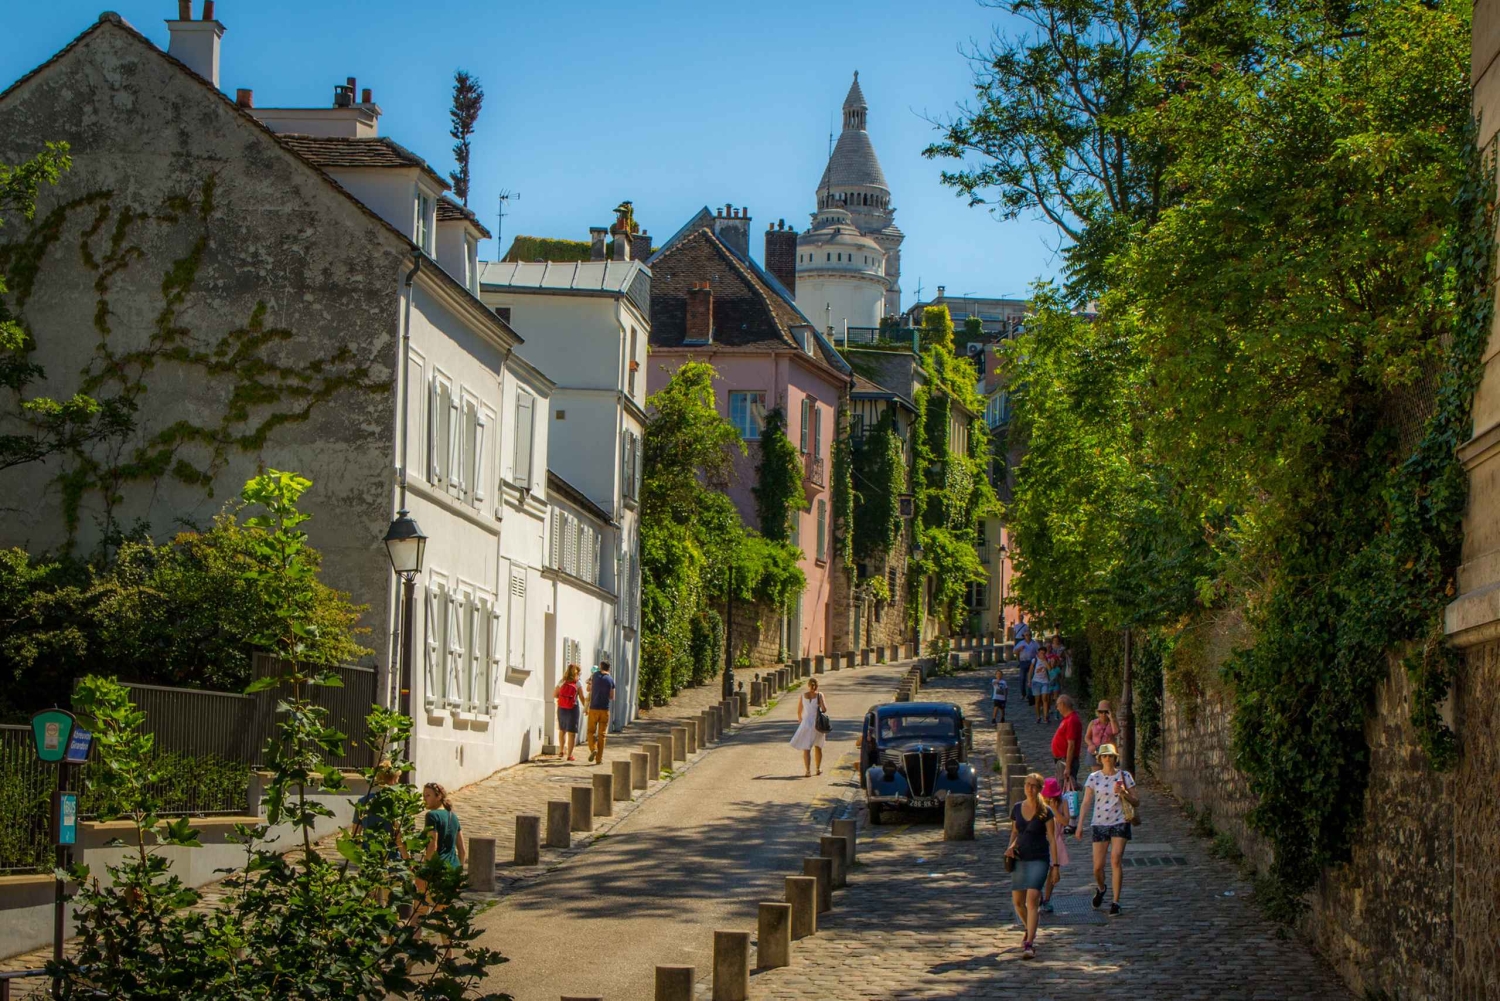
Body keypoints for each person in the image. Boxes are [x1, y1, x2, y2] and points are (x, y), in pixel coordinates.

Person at [1074, 743, 1138, 915]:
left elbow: (1136, 801)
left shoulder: (1124, 776)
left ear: (1115, 757)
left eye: (1110, 756)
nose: (1107, 759)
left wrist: (1124, 792)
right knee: (1097, 867)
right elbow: (1086, 802)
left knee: (1116, 860)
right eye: (1104, 756)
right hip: (1100, 823)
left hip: (1120, 822)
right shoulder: (1094, 777)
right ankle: (1101, 888)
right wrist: (1079, 825)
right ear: (1100, 758)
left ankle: (1116, 902)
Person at [1004, 772, 1056, 960]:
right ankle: (1029, 928)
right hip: (1020, 859)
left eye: (1034, 785)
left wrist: (1055, 865)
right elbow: (1015, 832)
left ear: (1040, 789)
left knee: (1032, 899)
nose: (1030, 788)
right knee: (1018, 903)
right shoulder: (1017, 808)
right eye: (1027, 784)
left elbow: (1052, 838)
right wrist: (1010, 848)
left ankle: (1029, 943)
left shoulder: (1046, 811)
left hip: (1039, 859)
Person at [412, 782, 466, 933]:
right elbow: (462, 850)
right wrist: (458, 873)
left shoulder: (432, 816)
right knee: (442, 917)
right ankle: (448, 954)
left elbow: (432, 846)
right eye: (424, 796)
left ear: (439, 796)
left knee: (418, 913)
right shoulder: (453, 817)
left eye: (428, 795)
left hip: (435, 870)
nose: (425, 799)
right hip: (451, 870)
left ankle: (412, 952)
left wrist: (423, 872)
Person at [1039, 776, 1071, 914]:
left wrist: (1054, 809)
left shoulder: (1063, 802)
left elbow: (1065, 821)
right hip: (1042, 839)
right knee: (1040, 870)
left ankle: (1047, 899)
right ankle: (1038, 896)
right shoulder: (1039, 803)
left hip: (1056, 840)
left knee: (1052, 872)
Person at [789, 677, 828, 777]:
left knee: (806, 749)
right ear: (817, 685)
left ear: (808, 685)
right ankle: (818, 769)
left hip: (806, 723)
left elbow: (799, 711)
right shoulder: (819, 695)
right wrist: (819, 704)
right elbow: (824, 709)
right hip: (817, 724)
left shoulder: (803, 695)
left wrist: (800, 720)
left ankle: (807, 771)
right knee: (818, 747)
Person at [585, 659, 615, 763]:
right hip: (605, 709)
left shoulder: (594, 676)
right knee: (602, 734)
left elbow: (588, 689)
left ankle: (593, 749)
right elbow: (612, 696)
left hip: (594, 708)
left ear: (600, 667)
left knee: (590, 731)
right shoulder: (611, 680)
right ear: (609, 668)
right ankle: (599, 759)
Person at [1050, 694, 1082, 790]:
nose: (1057, 708)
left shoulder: (1071, 720)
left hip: (1065, 760)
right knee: (1062, 787)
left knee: (1065, 789)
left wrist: (1067, 767)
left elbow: (1071, 745)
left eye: (1058, 705)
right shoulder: (1067, 719)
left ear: (1063, 704)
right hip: (1061, 760)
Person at [554, 664, 583, 761]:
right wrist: (586, 708)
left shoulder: (562, 681)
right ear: (577, 673)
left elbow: (555, 694)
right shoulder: (578, 683)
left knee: (562, 730)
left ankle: (561, 751)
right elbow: (582, 698)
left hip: (561, 708)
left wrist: (564, 699)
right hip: (573, 708)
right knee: (572, 733)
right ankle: (569, 755)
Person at [1086, 701, 1119, 766]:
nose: (1103, 714)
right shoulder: (1093, 723)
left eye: (1106, 712)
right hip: (1095, 749)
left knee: (1109, 773)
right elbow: (1087, 737)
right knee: (1096, 774)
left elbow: (1116, 732)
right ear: (1098, 713)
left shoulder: (1112, 723)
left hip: (1109, 750)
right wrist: (1091, 744)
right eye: (1101, 712)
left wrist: (1111, 719)